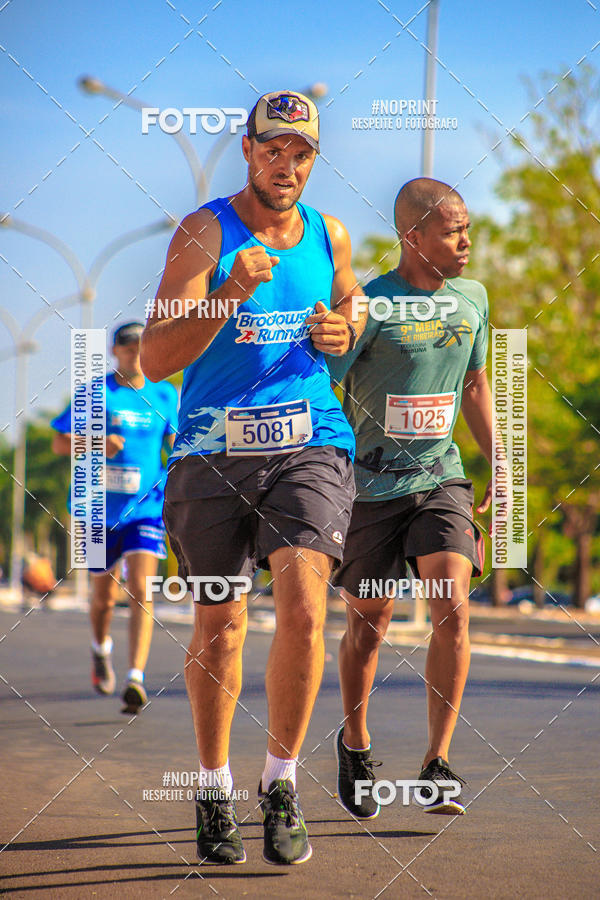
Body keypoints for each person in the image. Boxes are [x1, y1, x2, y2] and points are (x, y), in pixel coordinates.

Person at [141, 90, 366, 866]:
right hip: (209, 450)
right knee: (220, 627)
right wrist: (229, 292)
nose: (287, 165)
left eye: (301, 152)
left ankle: (280, 783)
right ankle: (212, 789)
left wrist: (346, 327)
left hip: (311, 440)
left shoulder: (330, 232)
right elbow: (157, 357)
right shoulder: (205, 231)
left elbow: (349, 311)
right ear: (246, 148)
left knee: (305, 605)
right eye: (273, 149)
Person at [328, 178, 492, 818]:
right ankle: (355, 741)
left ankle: (438, 763)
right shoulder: (368, 306)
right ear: (412, 236)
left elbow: (476, 384)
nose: (466, 243)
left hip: (440, 477)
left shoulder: (472, 299)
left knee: (451, 602)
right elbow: (327, 392)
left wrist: (501, 461)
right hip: (368, 486)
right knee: (369, 629)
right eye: (453, 231)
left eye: (467, 228)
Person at [51, 322, 178, 714]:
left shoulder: (165, 393)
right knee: (104, 597)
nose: (134, 352)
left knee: (141, 586)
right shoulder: (96, 392)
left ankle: (136, 677)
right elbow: (59, 442)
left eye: (141, 345)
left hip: (146, 509)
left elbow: (176, 447)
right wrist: (96, 442)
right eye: (126, 346)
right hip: (96, 509)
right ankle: (100, 648)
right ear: (114, 351)